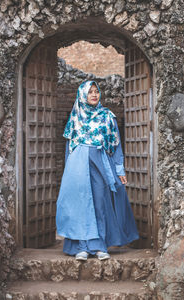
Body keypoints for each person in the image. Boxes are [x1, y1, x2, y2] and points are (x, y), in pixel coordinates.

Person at [56, 80, 139, 261]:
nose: (94, 95)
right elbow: (68, 147)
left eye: (96, 91)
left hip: (100, 163)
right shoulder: (75, 117)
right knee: (80, 206)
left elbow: (116, 146)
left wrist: (120, 170)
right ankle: (82, 247)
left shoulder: (107, 116)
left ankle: (99, 245)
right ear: (82, 95)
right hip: (76, 166)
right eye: (90, 92)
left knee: (100, 203)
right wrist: (67, 173)